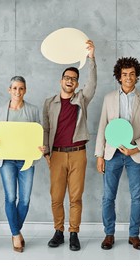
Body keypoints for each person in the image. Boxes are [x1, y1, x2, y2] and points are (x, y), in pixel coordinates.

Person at [95, 57, 140, 250]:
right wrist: (99, 155)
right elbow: (102, 127)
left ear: (136, 76)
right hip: (112, 154)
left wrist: (135, 147)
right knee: (108, 197)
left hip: (135, 154)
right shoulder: (109, 98)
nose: (128, 78)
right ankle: (109, 234)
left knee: (137, 197)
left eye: (131, 74)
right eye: (124, 74)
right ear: (119, 77)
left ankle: (134, 235)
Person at [42, 40, 96, 251]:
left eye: (74, 79)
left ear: (76, 83)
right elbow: (45, 128)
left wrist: (91, 58)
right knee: (56, 196)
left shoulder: (81, 99)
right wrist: (46, 152)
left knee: (75, 197)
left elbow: (92, 84)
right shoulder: (49, 102)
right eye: (67, 78)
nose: (70, 81)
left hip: (77, 154)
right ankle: (58, 231)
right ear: (61, 80)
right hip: (56, 155)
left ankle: (74, 233)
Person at [0, 76, 42, 253]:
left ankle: (14, 231)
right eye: (14, 88)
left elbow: (37, 134)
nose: (18, 92)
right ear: (9, 90)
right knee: (11, 197)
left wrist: (41, 147)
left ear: (25, 90)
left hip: (26, 159)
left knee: (25, 199)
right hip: (6, 160)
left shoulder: (33, 111)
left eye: (21, 88)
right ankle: (16, 235)